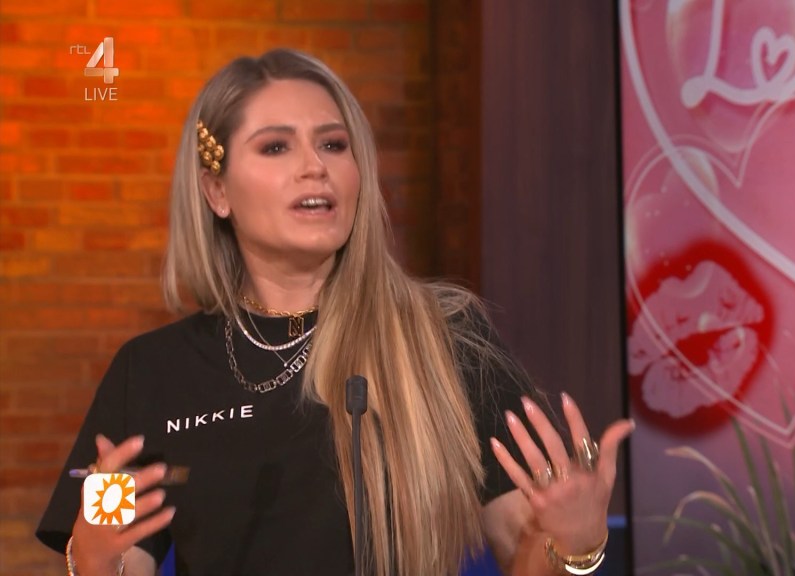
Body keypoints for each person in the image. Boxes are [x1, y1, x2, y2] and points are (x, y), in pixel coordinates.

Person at [36, 48, 633, 576]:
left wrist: (574, 545)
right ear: (217, 191)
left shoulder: (444, 338)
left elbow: (532, 558)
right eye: (276, 146)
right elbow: (113, 560)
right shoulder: (151, 371)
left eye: (333, 144)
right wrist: (93, 559)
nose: (314, 166)